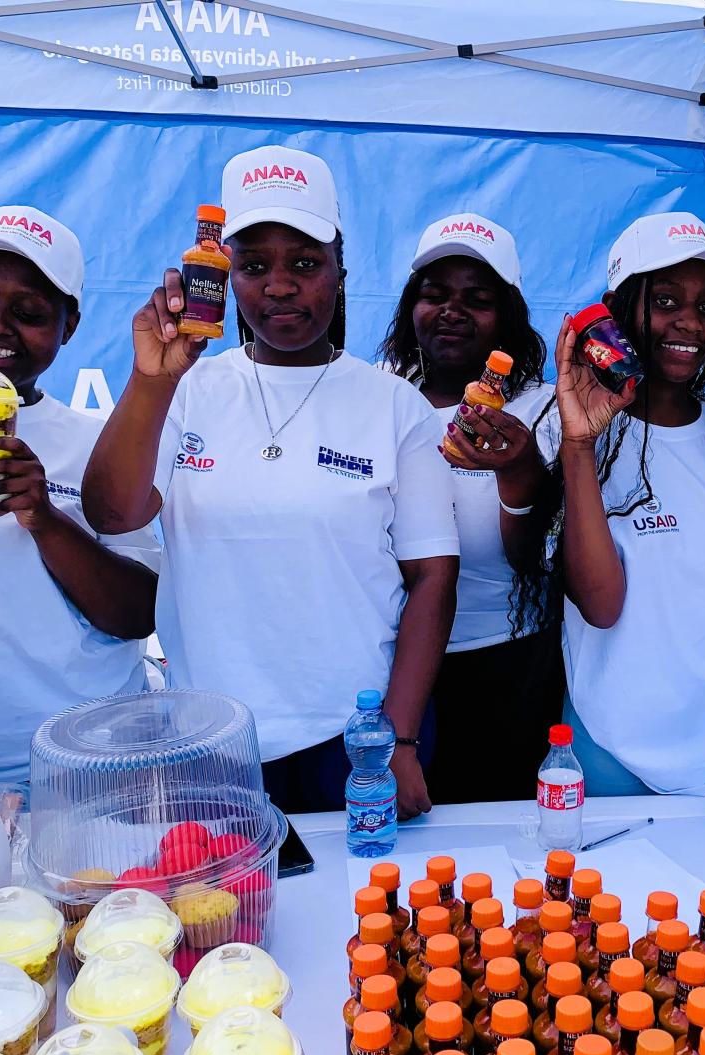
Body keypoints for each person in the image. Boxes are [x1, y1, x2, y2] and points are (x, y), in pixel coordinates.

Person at [83, 147, 458, 817]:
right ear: (226, 277)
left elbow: (432, 576)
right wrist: (153, 379)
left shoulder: (394, 405)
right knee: (223, 924)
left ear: (341, 270)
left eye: (305, 264)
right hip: (210, 742)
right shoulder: (186, 390)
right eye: (254, 266)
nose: (280, 287)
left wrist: (396, 739)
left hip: (353, 738)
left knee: (363, 918)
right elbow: (112, 513)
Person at [533, 212, 705, 795]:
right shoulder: (562, 432)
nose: (691, 322)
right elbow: (601, 604)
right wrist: (580, 443)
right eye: (665, 300)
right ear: (617, 310)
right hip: (610, 747)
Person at [0, 205, 159, 785]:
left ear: (68, 328)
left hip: (93, 768)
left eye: (27, 312)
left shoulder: (98, 443)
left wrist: (45, 518)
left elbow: (139, 613)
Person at [378, 213, 563, 801]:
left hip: (505, 670)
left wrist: (517, 470)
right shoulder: (377, 396)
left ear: (507, 316)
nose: (452, 311)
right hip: (385, 668)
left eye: (477, 299)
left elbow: (538, 561)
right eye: (434, 294)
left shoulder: (543, 410)